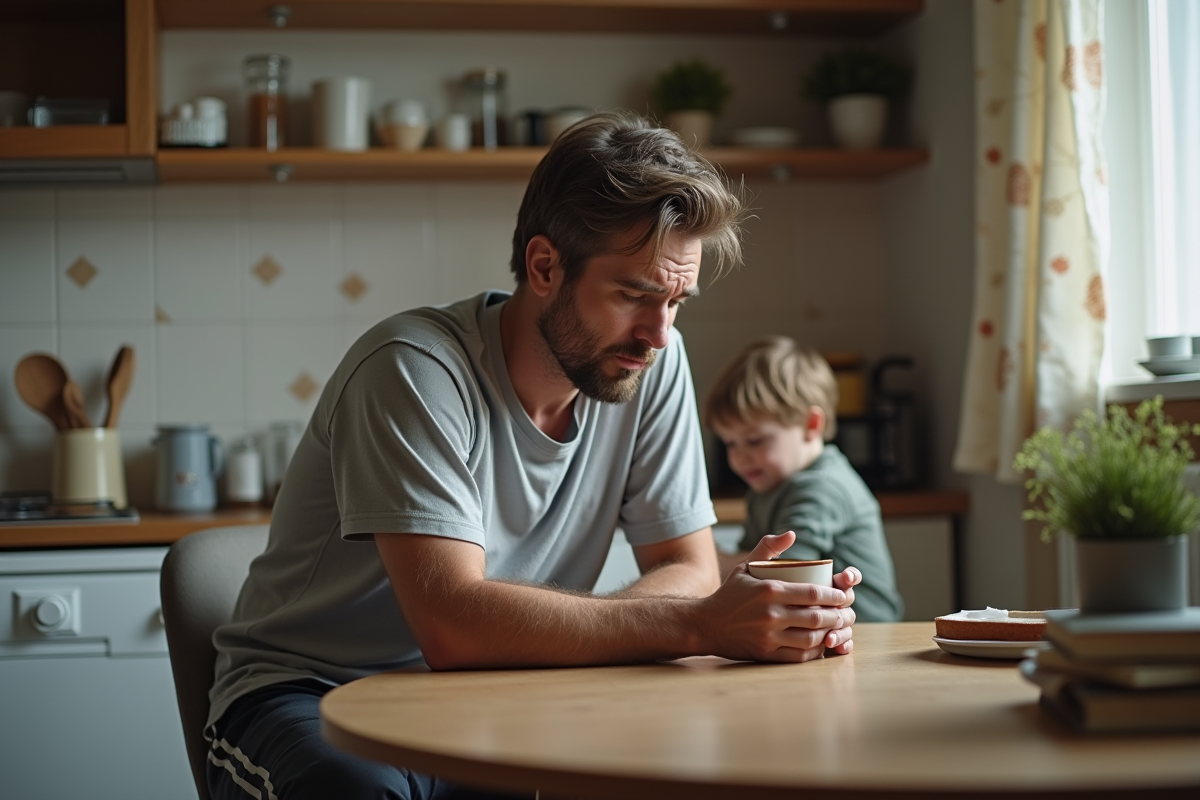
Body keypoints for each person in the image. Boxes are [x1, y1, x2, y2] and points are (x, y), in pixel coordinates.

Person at [204, 111, 861, 800]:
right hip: (310, 696)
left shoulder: (649, 362)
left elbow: (685, 565)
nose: (659, 333)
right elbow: (452, 627)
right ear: (545, 265)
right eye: (633, 294)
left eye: (677, 301)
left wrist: (707, 612)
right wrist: (698, 624)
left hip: (496, 694)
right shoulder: (414, 369)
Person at [705, 336, 904, 622]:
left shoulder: (821, 487)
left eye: (754, 440)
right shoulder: (765, 489)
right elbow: (750, 565)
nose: (739, 457)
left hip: (867, 635)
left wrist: (708, 558)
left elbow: (782, 573)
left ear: (811, 425)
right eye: (730, 444)